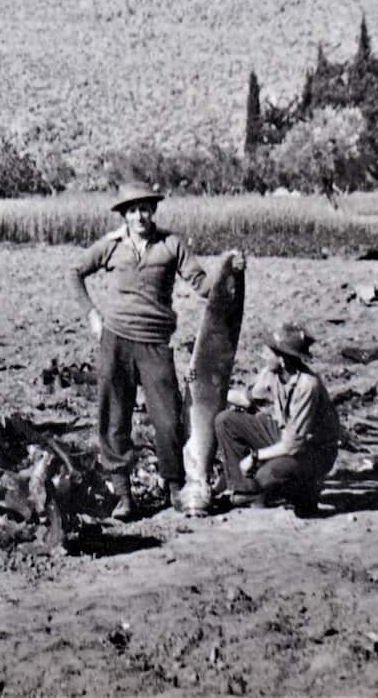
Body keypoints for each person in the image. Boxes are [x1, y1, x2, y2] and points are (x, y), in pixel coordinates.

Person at [70, 182, 242, 520]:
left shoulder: (170, 244)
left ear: (154, 211)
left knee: (167, 419)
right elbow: (75, 272)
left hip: (155, 344)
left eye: (145, 209)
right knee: (115, 418)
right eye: (133, 210)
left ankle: (175, 487)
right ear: (124, 215)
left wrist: (228, 268)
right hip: (115, 340)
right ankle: (123, 495)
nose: (140, 216)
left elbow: (203, 285)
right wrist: (92, 314)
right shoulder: (111, 246)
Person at [214, 322, 340, 516]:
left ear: (282, 359)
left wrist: (255, 456)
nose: (262, 355)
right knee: (226, 421)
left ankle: (306, 491)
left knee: (267, 476)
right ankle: (244, 491)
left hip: (313, 452)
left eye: (268, 351)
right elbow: (245, 399)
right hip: (286, 435)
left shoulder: (307, 386)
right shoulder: (271, 373)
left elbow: (293, 445)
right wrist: (212, 392)